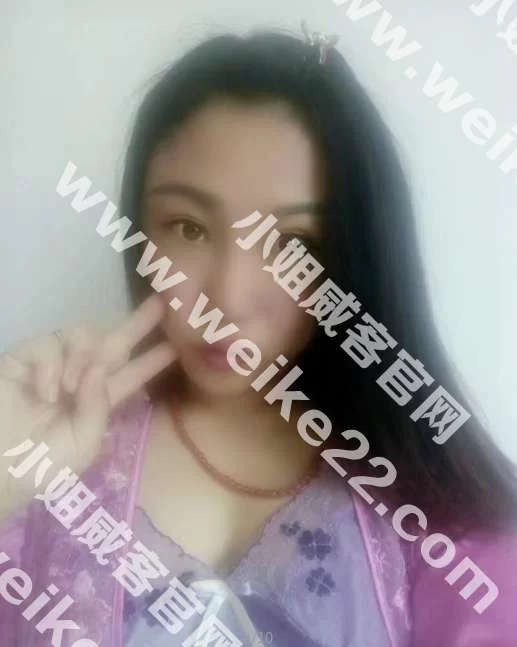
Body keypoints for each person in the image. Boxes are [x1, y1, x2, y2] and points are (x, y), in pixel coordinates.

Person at [1, 26, 516, 647]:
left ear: (355, 262)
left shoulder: (436, 509)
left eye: (292, 244)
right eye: (188, 227)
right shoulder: (52, 456)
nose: (227, 298)